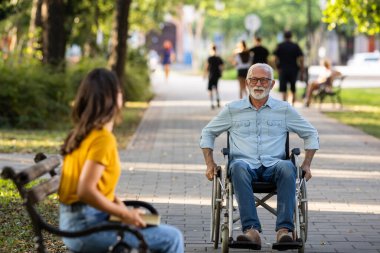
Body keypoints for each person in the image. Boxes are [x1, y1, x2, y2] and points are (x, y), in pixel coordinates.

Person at [58, 68, 183, 253]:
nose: (121, 94)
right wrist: (125, 214)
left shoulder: (82, 134)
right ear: (111, 98)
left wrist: (124, 212)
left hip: (77, 222)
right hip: (87, 228)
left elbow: (98, 189)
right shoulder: (102, 139)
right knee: (172, 238)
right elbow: (85, 191)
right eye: (119, 90)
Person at [200, 63, 319, 248]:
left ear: (272, 84)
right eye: (254, 79)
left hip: (275, 167)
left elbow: (311, 133)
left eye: (264, 80)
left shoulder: (284, 109)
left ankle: (284, 232)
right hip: (244, 167)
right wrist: (210, 164)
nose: (258, 84)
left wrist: (307, 164)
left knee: (288, 167)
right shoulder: (233, 109)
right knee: (237, 166)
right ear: (247, 82)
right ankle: (251, 231)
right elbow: (207, 133)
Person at [274, 30, 304, 106]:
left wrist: (277, 68)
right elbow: (301, 58)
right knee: (293, 87)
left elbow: (275, 59)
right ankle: (293, 104)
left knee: (283, 88)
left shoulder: (280, 46)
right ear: (291, 36)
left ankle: (284, 103)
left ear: (284, 36)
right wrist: (301, 68)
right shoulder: (295, 46)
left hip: (283, 69)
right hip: (293, 69)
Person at [204, 44, 224, 109]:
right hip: (217, 75)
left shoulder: (209, 58)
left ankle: (212, 103)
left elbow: (206, 67)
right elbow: (222, 66)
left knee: (210, 89)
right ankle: (218, 99)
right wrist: (221, 72)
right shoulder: (218, 58)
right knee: (216, 88)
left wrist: (204, 74)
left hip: (211, 75)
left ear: (211, 49)